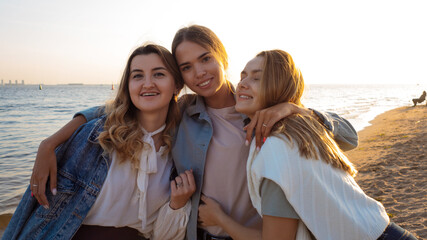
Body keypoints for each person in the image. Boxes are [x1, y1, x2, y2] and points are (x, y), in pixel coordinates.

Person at [29, 25, 359, 240]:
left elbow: (347, 136)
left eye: (205, 59)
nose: (198, 73)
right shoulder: (184, 112)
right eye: (186, 67)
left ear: (222, 57)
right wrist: (53, 140)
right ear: (179, 78)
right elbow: (122, 106)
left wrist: (293, 108)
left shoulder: (264, 107)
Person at [199, 49, 417, 239]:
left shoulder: (275, 150)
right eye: (243, 76)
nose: (242, 84)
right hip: (385, 229)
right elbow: (349, 137)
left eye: (257, 78)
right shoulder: (302, 128)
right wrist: (295, 108)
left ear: (278, 86)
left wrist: (219, 218)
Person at [2, 44, 196, 240]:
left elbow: (162, 235)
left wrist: (176, 205)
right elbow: (40, 212)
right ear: (128, 87)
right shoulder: (96, 138)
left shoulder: (178, 150)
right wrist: (48, 144)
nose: (147, 84)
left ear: (177, 85)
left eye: (159, 74)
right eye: (137, 75)